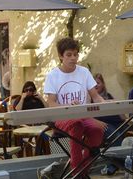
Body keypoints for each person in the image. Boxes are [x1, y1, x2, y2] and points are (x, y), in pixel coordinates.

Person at [44, 37, 106, 178]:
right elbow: (51, 103)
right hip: (62, 118)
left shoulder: (84, 72)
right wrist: (68, 106)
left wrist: (105, 104)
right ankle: (77, 172)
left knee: (98, 129)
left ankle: (81, 170)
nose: (73, 58)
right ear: (61, 56)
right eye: (69, 55)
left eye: (76, 54)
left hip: (83, 115)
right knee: (76, 124)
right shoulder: (53, 75)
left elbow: (96, 96)